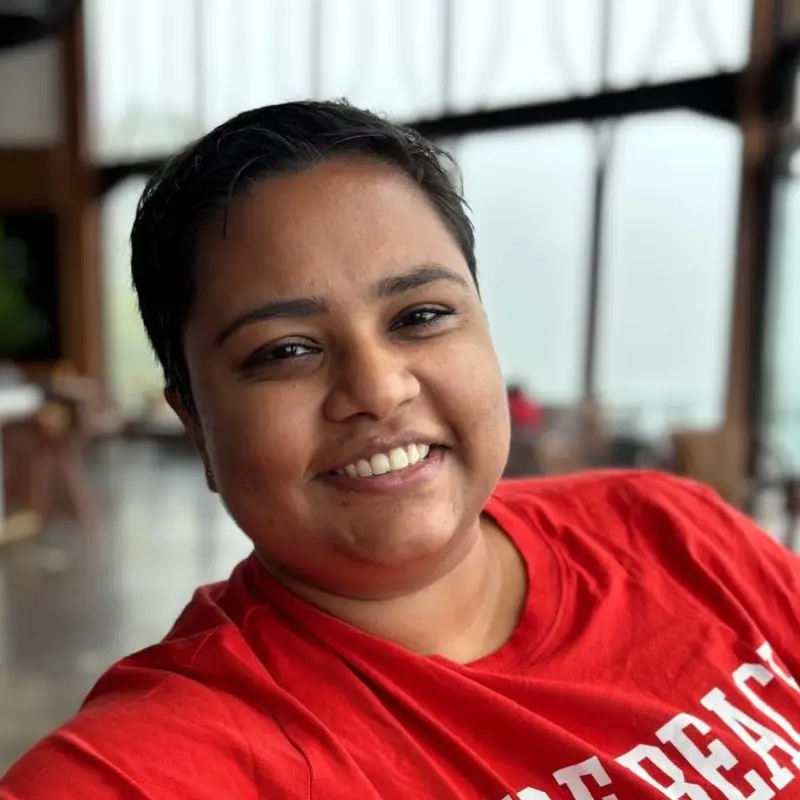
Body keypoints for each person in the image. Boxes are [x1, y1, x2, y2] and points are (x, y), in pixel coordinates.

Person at [2, 101, 799, 800]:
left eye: (420, 316)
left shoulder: (670, 530)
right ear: (197, 427)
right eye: (284, 351)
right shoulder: (181, 753)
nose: (378, 389)